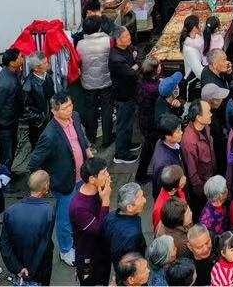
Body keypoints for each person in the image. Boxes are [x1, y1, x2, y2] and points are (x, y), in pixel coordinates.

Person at [27, 91, 91, 266]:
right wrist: (49, 183)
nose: (69, 110)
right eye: (64, 108)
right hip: (64, 184)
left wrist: (87, 151)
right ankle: (65, 250)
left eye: (70, 105)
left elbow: (81, 137)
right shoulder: (49, 135)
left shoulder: (75, 117)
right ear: (54, 111)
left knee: (80, 212)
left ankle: (77, 240)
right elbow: (34, 163)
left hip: (81, 177)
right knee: (65, 219)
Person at [0, 170, 57, 285]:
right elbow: (43, 245)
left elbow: (4, 244)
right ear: (45, 186)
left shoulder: (11, 211)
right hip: (39, 269)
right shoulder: (48, 211)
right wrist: (30, 271)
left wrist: (17, 268)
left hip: (18, 266)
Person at [69, 157, 113, 286]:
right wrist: (105, 201)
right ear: (92, 179)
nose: (108, 175)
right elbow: (98, 229)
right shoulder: (79, 207)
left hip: (102, 251)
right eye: (104, 173)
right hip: (90, 258)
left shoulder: (98, 191)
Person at [109, 26, 142, 164]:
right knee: (123, 124)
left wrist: (136, 63)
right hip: (123, 95)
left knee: (129, 122)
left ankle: (127, 144)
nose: (129, 38)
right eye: (126, 36)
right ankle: (120, 153)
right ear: (118, 40)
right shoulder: (116, 58)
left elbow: (137, 51)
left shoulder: (127, 47)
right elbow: (132, 74)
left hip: (130, 92)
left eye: (129, 34)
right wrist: (135, 67)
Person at [180, 100, 216, 219]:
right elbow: (193, 173)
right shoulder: (190, 141)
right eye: (208, 112)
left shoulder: (206, 126)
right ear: (198, 117)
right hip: (202, 188)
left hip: (210, 177)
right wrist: (202, 190)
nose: (211, 114)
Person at [0, 48, 25, 168]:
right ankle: (3, 178)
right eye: (20, 57)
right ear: (12, 63)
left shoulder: (11, 73)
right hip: (5, 124)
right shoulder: (5, 82)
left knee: (11, 149)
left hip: (11, 120)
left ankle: (6, 173)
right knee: (6, 154)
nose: (23, 59)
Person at [104, 183, 148, 272]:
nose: (145, 200)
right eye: (141, 198)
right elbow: (133, 264)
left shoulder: (110, 217)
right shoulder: (133, 235)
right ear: (130, 207)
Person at [22, 52, 55, 148]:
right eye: (45, 63)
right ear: (36, 68)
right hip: (39, 124)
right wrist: (40, 118)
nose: (48, 64)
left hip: (51, 118)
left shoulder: (47, 76)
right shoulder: (28, 86)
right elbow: (25, 110)